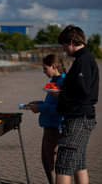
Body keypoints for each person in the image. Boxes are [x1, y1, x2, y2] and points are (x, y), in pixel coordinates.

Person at [53, 25, 99, 184]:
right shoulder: (86, 58)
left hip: (77, 119)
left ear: (72, 42)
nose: (64, 49)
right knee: (79, 163)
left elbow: (82, 91)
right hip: (84, 118)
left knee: (63, 165)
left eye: (64, 45)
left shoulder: (83, 60)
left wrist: (61, 95)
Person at [28, 54, 66, 184]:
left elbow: (59, 108)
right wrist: (38, 103)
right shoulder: (55, 81)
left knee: (49, 161)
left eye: (45, 68)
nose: (44, 72)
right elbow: (51, 103)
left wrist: (40, 108)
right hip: (51, 125)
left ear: (54, 66)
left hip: (54, 127)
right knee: (49, 160)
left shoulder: (61, 82)